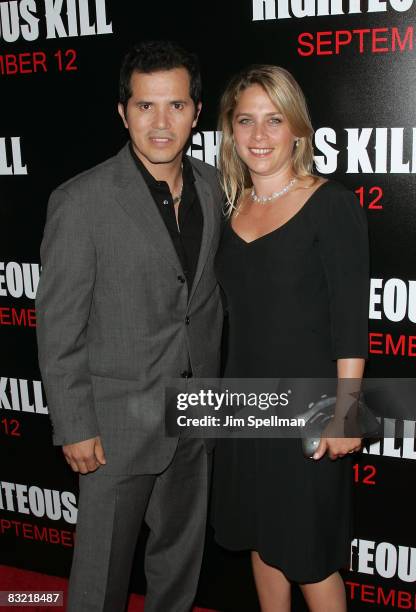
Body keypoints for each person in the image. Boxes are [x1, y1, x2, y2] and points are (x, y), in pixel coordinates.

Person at [36, 40, 223, 612]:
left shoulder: (217, 186)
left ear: (196, 111)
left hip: (196, 412)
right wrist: (74, 424)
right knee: (99, 582)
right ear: (123, 112)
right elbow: (59, 324)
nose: (161, 122)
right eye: (145, 106)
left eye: (175, 106)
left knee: (178, 568)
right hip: (114, 427)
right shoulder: (82, 200)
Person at [211, 65, 369, 611]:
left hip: (309, 407)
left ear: (296, 129)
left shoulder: (332, 204)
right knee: (262, 536)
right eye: (246, 120)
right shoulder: (231, 208)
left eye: (273, 120)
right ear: (230, 131)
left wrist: (346, 412)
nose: (259, 135)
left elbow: (352, 318)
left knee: (309, 555)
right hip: (244, 404)